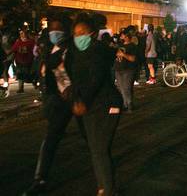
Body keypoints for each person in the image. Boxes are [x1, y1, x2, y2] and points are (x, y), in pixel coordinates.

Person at [65, 13, 122, 195]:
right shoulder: (74, 54)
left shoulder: (98, 51)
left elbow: (95, 79)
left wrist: (83, 101)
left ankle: (106, 189)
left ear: (92, 33)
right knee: (97, 148)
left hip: (107, 104)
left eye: (83, 33)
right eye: (76, 34)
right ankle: (105, 185)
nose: (79, 37)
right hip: (89, 107)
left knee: (99, 149)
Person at [23, 13, 73, 195]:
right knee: (50, 139)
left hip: (76, 100)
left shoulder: (72, 50)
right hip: (58, 102)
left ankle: (105, 181)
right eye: (52, 29)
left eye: (58, 29)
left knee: (94, 141)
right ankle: (40, 179)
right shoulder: (50, 49)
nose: (55, 32)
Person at [114, 28, 138, 113]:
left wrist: (123, 54)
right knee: (121, 88)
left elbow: (133, 58)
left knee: (127, 87)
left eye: (123, 35)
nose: (121, 37)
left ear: (127, 37)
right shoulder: (119, 45)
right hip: (118, 69)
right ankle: (125, 104)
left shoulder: (132, 46)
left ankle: (129, 104)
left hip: (128, 69)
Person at [12, 29, 36, 93]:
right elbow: (14, 50)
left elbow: (34, 50)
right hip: (19, 61)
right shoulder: (18, 42)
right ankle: (20, 88)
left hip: (28, 61)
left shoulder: (31, 42)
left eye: (24, 33)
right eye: (21, 33)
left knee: (30, 74)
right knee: (20, 74)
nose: (23, 35)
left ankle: (36, 85)